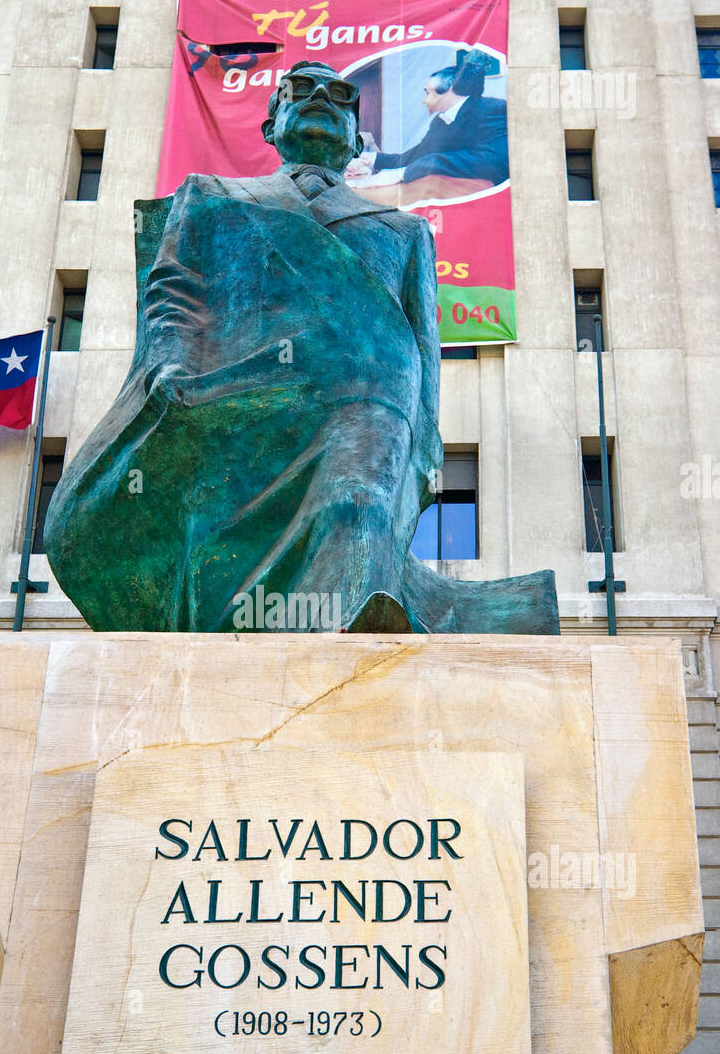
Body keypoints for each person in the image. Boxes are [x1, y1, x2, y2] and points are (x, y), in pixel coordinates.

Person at [45, 60, 556, 635]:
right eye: (299, 89)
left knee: (356, 497)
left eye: (339, 94)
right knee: (218, 521)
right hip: (240, 389)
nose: (319, 97)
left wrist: (428, 440)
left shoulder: (403, 231)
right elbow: (175, 292)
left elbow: (422, 341)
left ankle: (351, 614)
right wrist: (169, 362)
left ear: (359, 139)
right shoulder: (211, 197)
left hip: (365, 395)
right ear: (269, 128)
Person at [362, 51, 509, 188]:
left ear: (450, 89)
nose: (424, 101)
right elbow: (417, 156)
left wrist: (403, 173)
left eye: (428, 93)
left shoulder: (492, 109)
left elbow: (493, 162)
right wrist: (369, 158)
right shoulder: (440, 121)